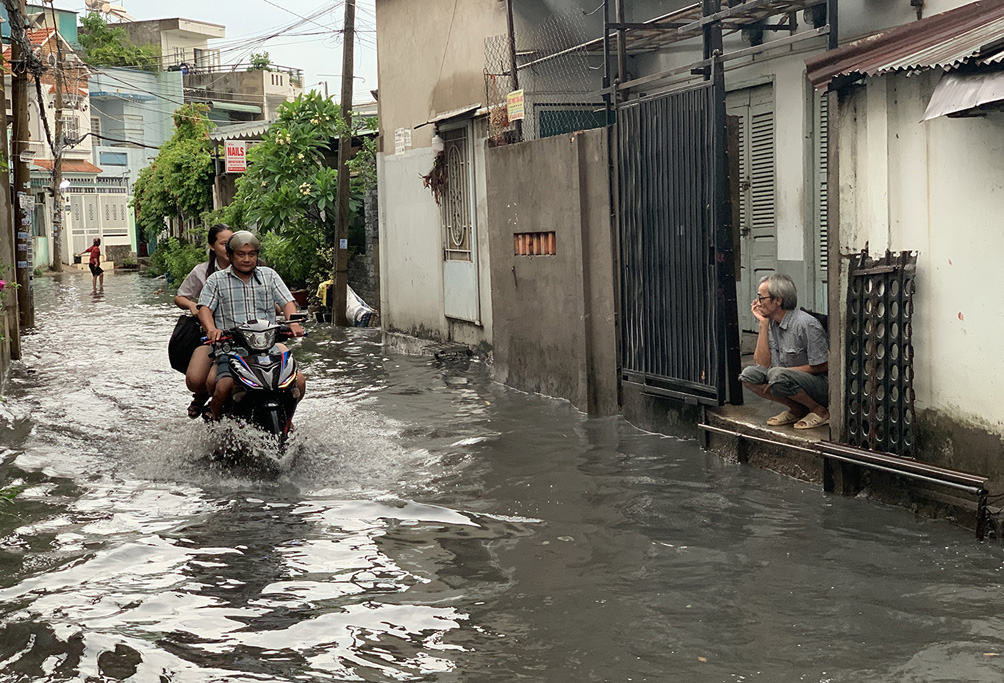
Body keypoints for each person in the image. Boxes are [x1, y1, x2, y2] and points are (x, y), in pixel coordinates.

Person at [197, 231, 306, 421]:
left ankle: (287, 422)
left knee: (300, 381)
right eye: (241, 254)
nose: (247, 259)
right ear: (230, 255)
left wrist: (293, 323)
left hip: (267, 347)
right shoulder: (216, 280)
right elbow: (204, 309)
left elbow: (287, 302)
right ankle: (216, 423)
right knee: (222, 387)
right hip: (231, 349)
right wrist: (212, 329)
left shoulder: (269, 275)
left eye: (252, 254)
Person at [738, 273, 830, 430]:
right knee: (749, 375)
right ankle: (798, 409)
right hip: (786, 379)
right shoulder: (773, 323)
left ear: (778, 300)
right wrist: (763, 324)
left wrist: (782, 374)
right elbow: (761, 364)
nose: (757, 303)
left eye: (761, 298)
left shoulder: (805, 324)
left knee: (777, 375)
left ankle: (820, 411)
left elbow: (824, 365)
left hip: (819, 384)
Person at [174, 224, 234, 418]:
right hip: (212, 333)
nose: (229, 249)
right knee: (197, 378)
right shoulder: (202, 272)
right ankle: (202, 396)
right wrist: (193, 306)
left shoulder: (253, 270)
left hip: (247, 332)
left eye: (232, 243)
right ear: (211, 246)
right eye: (224, 244)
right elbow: (180, 296)